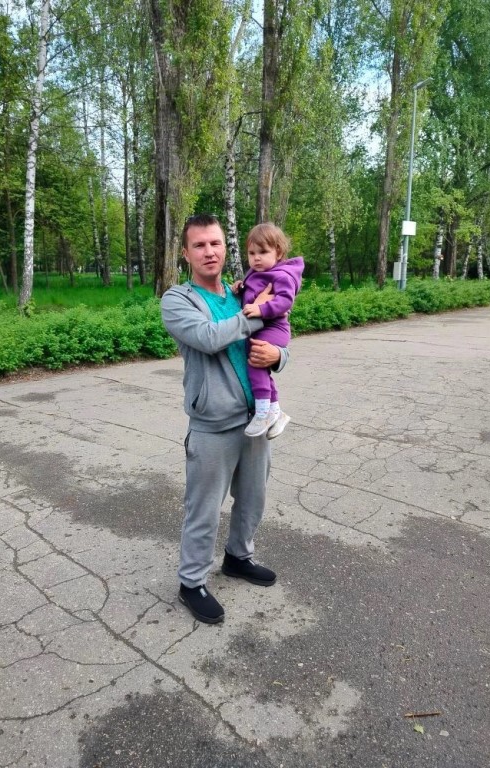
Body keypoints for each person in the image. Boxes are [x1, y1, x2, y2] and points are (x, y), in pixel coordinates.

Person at [160, 214, 289, 625]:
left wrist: (279, 356)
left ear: (224, 247)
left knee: (253, 499)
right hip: (213, 424)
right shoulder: (177, 300)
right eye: (199, 245)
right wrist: (258, 312)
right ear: (186, 253)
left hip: (255, 419)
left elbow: (277, 332)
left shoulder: (241, 291)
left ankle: (238, 557)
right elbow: (209, 338)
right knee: (203, 509)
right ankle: (191, 582)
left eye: (215, 243)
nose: (209, 252)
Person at [232, 222, 304, 438]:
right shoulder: (256, 273)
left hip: (275, 327)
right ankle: (275, 411)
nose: (256, 258)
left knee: (255, 361)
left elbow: (285, 302)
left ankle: (262, 412)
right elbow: (251, 295)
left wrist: (261, 308)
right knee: (261, 368)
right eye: (252, 253)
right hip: (263, 327)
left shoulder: (281, 275)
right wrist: (240, 289)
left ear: (278, 252)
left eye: (263, 252)